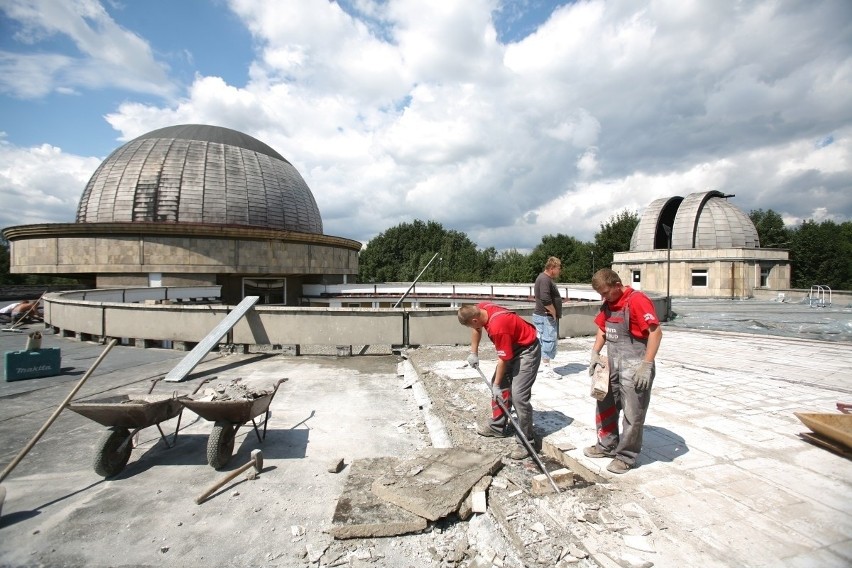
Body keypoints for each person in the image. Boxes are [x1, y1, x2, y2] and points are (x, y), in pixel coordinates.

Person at [585, 268, 662, 474]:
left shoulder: (637, 301)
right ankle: (606, 445)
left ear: (617, 285)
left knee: (632, 413)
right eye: (600, 294)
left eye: (606, 293)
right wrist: (595, 352)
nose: (603, 297)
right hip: (612, 364)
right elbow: (603, 328)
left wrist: (646, 365)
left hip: (635, 366)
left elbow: (655, 333)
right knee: (605, 405)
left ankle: (626, 456)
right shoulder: (609, 303)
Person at [458, 302, 541, 460]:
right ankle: (498, 427)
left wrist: (496, 385)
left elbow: (503, 358)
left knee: (519, 397)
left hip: (527, 351)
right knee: (501, 385)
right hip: (513, 345)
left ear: (475, 319)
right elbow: (476, 328)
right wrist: (473, 353)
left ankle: (527, 443)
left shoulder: (498, 327)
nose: (472, 328)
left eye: (470, 325)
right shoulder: (480, 309)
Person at [533, 256, 562, 379]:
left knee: (542, 341)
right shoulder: (545, 279)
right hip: (546, 316)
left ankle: (542, 366)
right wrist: (553, 312)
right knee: (548, 341)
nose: (559, 271)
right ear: (551, 268)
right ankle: (546, 369)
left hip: (542, 315)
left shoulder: (543, 278)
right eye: (558, 268)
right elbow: (545, 299)